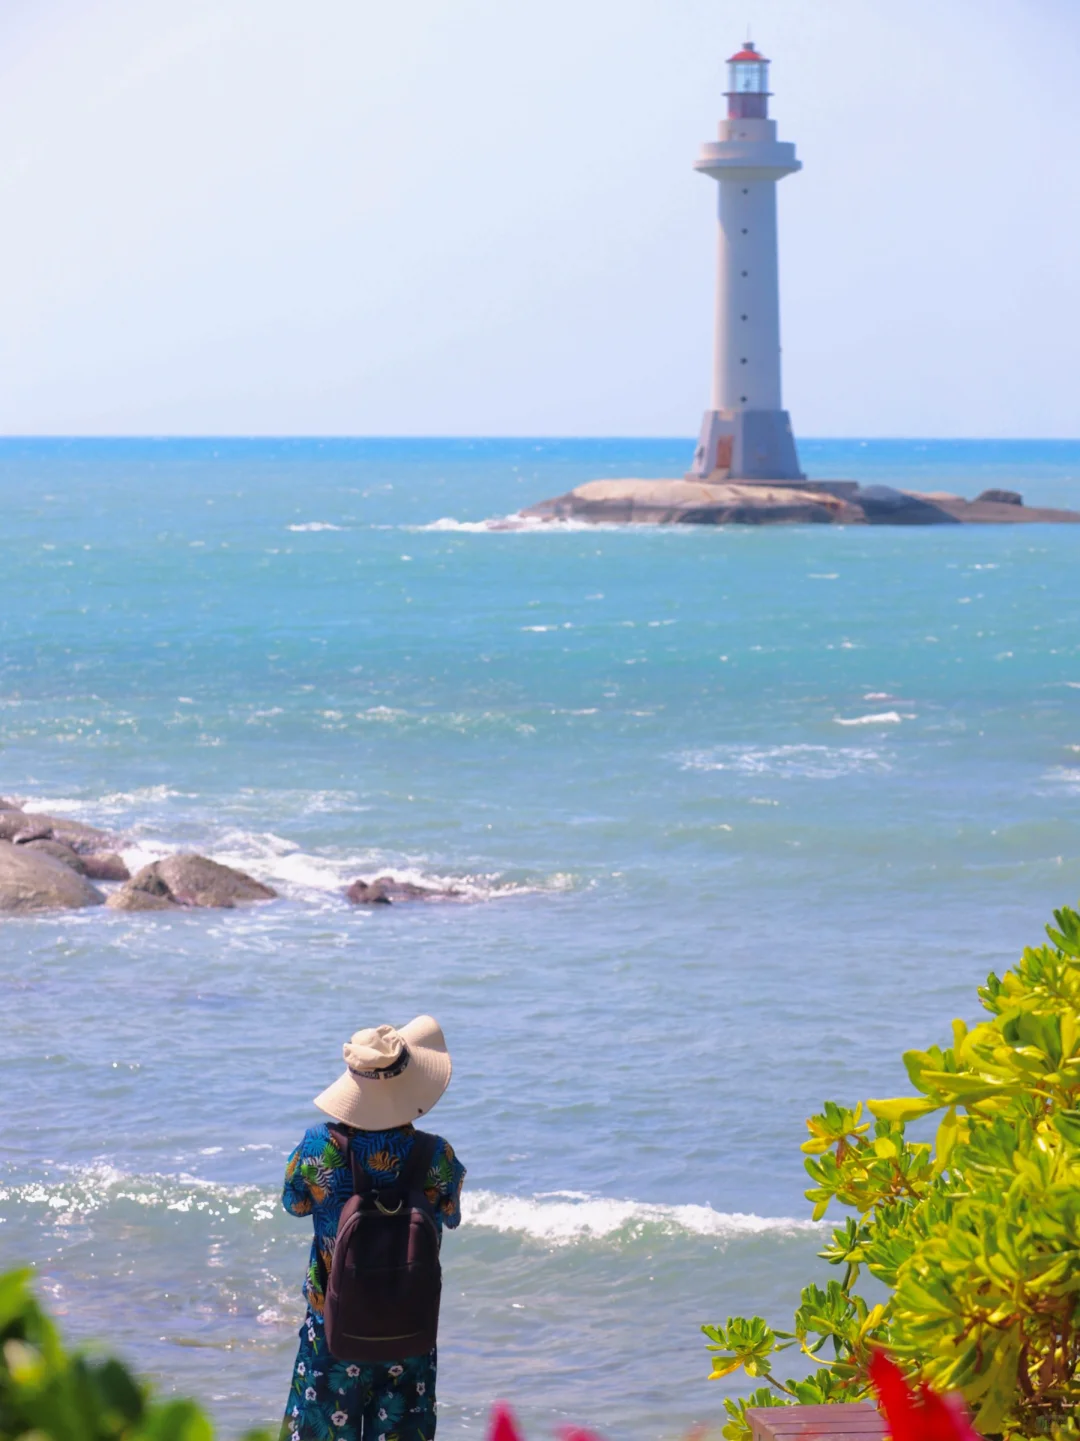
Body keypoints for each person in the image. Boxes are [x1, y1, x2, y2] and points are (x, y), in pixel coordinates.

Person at [279, 1015, 466, 1441]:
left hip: (332, 1327)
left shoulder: (317, 1146)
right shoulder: (436, 1154)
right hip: (409, 1328)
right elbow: (450, 1216)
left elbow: (294, 1203)